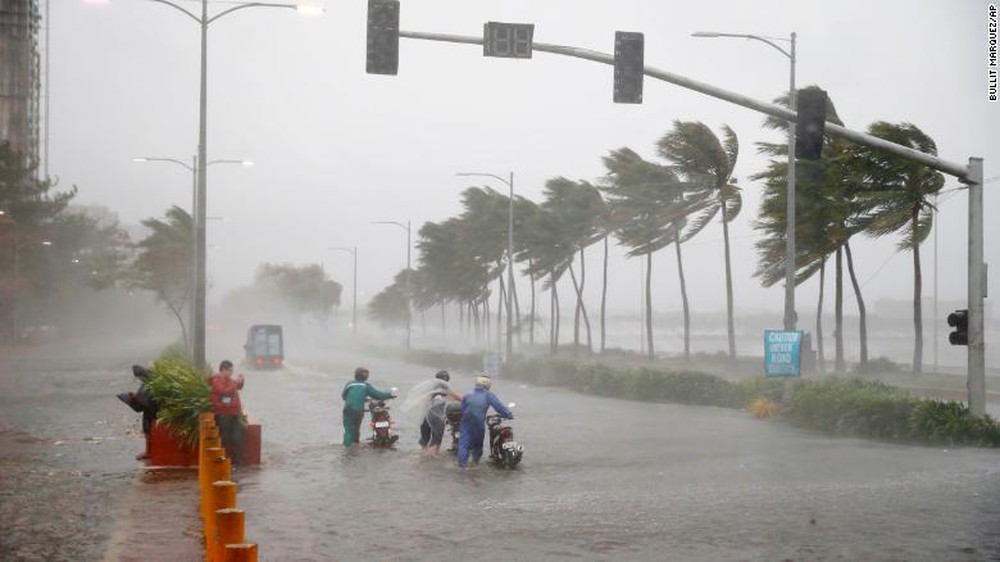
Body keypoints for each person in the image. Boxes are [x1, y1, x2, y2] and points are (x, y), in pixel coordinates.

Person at [457, 374, 513, 469]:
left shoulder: (467, 395)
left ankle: (462, 468)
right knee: (477, 446)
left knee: (463, 445)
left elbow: (463, 409)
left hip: (466, 423)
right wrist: (508, 415)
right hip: (478, 424)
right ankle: (475, 465)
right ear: (487, 384)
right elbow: (499, 407)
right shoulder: (488, 395)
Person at [341, 366, 395, 448]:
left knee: (348, 430)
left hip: (348, 409)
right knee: (356, 429)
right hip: (359, 410)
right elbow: (378, 395)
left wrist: (360, 398)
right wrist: (389, 395)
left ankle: (347, 448)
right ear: (366, 377)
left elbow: (344, 396)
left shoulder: (349, 384)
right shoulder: (365, 386)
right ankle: (355, 445)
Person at [417, 370, 462, 455]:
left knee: (424, 442)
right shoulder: (444, 388)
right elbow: (458, 397)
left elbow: (425, 400)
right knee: (436, 443)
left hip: (424, 418)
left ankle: (423, 462)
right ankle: (432, 463)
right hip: (436, 417)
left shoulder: (429, 389)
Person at [209, 360, 245, 466]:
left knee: (237, 437)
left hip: (234, 413)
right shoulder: (216, 380)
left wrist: (241, 381)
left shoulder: (229, 380)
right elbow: (225, 391)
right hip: (223, 414)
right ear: (223, 370)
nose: (231, 373)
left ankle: (237, 463)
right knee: (224, 439)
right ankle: (222, 462)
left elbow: (238, 387)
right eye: (230, 371)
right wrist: (235, 382)